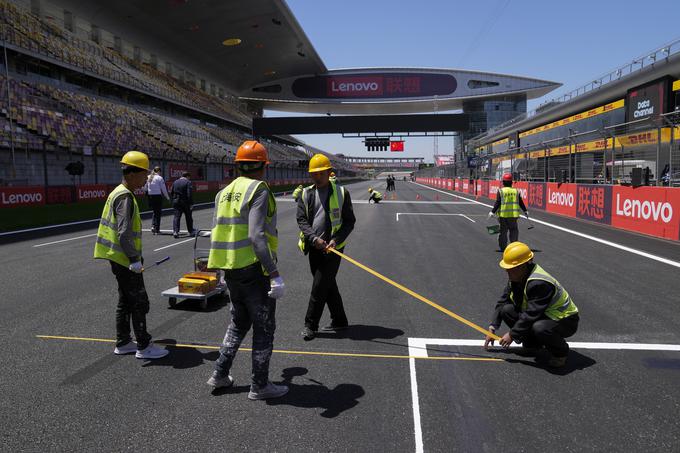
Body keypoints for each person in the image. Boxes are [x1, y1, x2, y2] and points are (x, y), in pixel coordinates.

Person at [206, 140, 288, 400]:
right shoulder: (259, 189)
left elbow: (218, 232)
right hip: (254, 270)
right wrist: (273, 273)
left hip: (231, 269)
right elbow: (256, 235)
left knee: (238, 323)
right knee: (264, 327)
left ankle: (220, 373)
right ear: (263, 166)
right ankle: (260, 385)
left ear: (238, 165)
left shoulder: (224, 192)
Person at [93, 151, 169, 360]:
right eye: (144, 174)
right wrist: (134, 260)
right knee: (139, 302)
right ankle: (144, 346)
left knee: (125, 301)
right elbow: (124, 232)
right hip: (126, 260)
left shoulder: (119, 192)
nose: (146, 178)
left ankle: (124, 341)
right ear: (133, 173)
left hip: (118, 258)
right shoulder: (125, 197)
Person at [484, 242, 579, 368]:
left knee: (540, 327)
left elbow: (531, 314)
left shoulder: (539, 283)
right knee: (507, 310)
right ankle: (532, 346)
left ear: (524, 265)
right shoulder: (517, 277)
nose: (507, 271)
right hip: (544, 315)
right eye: (507, 268)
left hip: (565, 320)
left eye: (511, 268)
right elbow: (503, 301)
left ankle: (560, 353)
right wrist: (493, 327)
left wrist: (512, 334)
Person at [297, 153, 356, 341]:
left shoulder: (341, 193)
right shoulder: (305, 194)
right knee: (327, 284)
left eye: (320, 173)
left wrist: (336, 240)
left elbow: (349, 222)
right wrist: (314, 239)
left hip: (333, 249)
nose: (317, 177)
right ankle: (340, 320)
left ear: (329, 172)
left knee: (319, 287)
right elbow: (301, 220)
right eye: (313, 174)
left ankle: (310, 325)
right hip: (314, 247)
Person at [489, 173, 528, 252]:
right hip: (513, 216)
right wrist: (525, 211)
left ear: (503, 182)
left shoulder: (501, 191)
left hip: (503, 216)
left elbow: (498, 202)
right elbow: (520, 202)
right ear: (511, 182)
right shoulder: (516, 191)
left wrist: (492, 212)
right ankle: (514, 247)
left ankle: (503, 248)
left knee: (503, 232)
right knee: (514, 231)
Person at [145, 166, 170, 235]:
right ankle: (157, 229)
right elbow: (163, 189)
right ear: (159, 171)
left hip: (150, 196)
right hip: (157, 196)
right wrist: (167, 197)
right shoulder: (159, 178)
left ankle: (153, 226)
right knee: (158, 213)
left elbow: (145, 187)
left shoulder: (148, 177)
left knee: (155, 211)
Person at [170, 171, 194, 238]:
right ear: (187, 176)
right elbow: (189, 194)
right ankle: (190, 231)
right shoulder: (188, 182)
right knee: (188, 217)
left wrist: (174, 199)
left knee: (176, 217)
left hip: (176, 201)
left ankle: (175, 231)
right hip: (185, 201)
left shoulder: (175, 182)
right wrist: (191, 203)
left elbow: (171, 192)